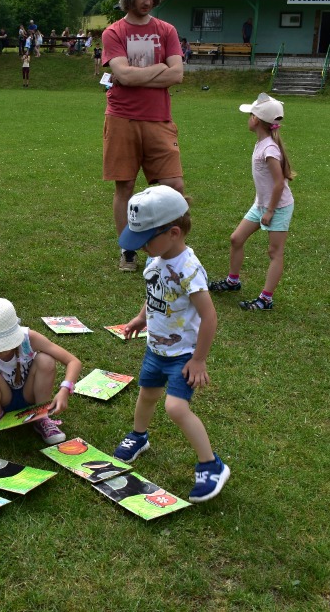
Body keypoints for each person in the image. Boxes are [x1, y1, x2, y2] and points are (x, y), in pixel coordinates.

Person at [112, 185, 229, 503]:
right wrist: (141, 318)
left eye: (145, 240)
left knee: (175, 407)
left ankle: (211, 465)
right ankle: (139, 436)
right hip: (156, 348)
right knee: (147, 394)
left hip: (183, 354)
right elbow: (154, 293)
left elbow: (209, 316)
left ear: (173, 233)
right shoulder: (156, 258)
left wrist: (199, 360)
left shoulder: (188, 270)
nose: (141, 247)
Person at [101, 0, 185, 272]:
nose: (147, 2)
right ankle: (128, 251)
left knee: (173, 185)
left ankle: (168, 248)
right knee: (124, 187)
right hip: (122, 118)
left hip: (159, 119)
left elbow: (177, 74)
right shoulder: (114, 32)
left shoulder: (167, 30)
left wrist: (137, 77)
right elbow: (122, 75)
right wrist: (159, 69)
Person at [0, 297, 82, 458]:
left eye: (1, 346)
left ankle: (41, 416)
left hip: (31, 395)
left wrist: (65, 390)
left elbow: (73, 361)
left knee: (46, 360)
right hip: (3, 398)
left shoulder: (30, 338)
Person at [208, 93, 295, 311]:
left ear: (256, 119)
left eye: (250, 115)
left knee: (275, 252)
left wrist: (270, 211)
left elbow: (279, 184)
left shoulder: (269, 149)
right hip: (261, 205)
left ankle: (266, 299)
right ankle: (233, 281)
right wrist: (262, 206)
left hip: (278, 207)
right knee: (236, 238)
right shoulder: (262, 143)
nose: (248, 119)